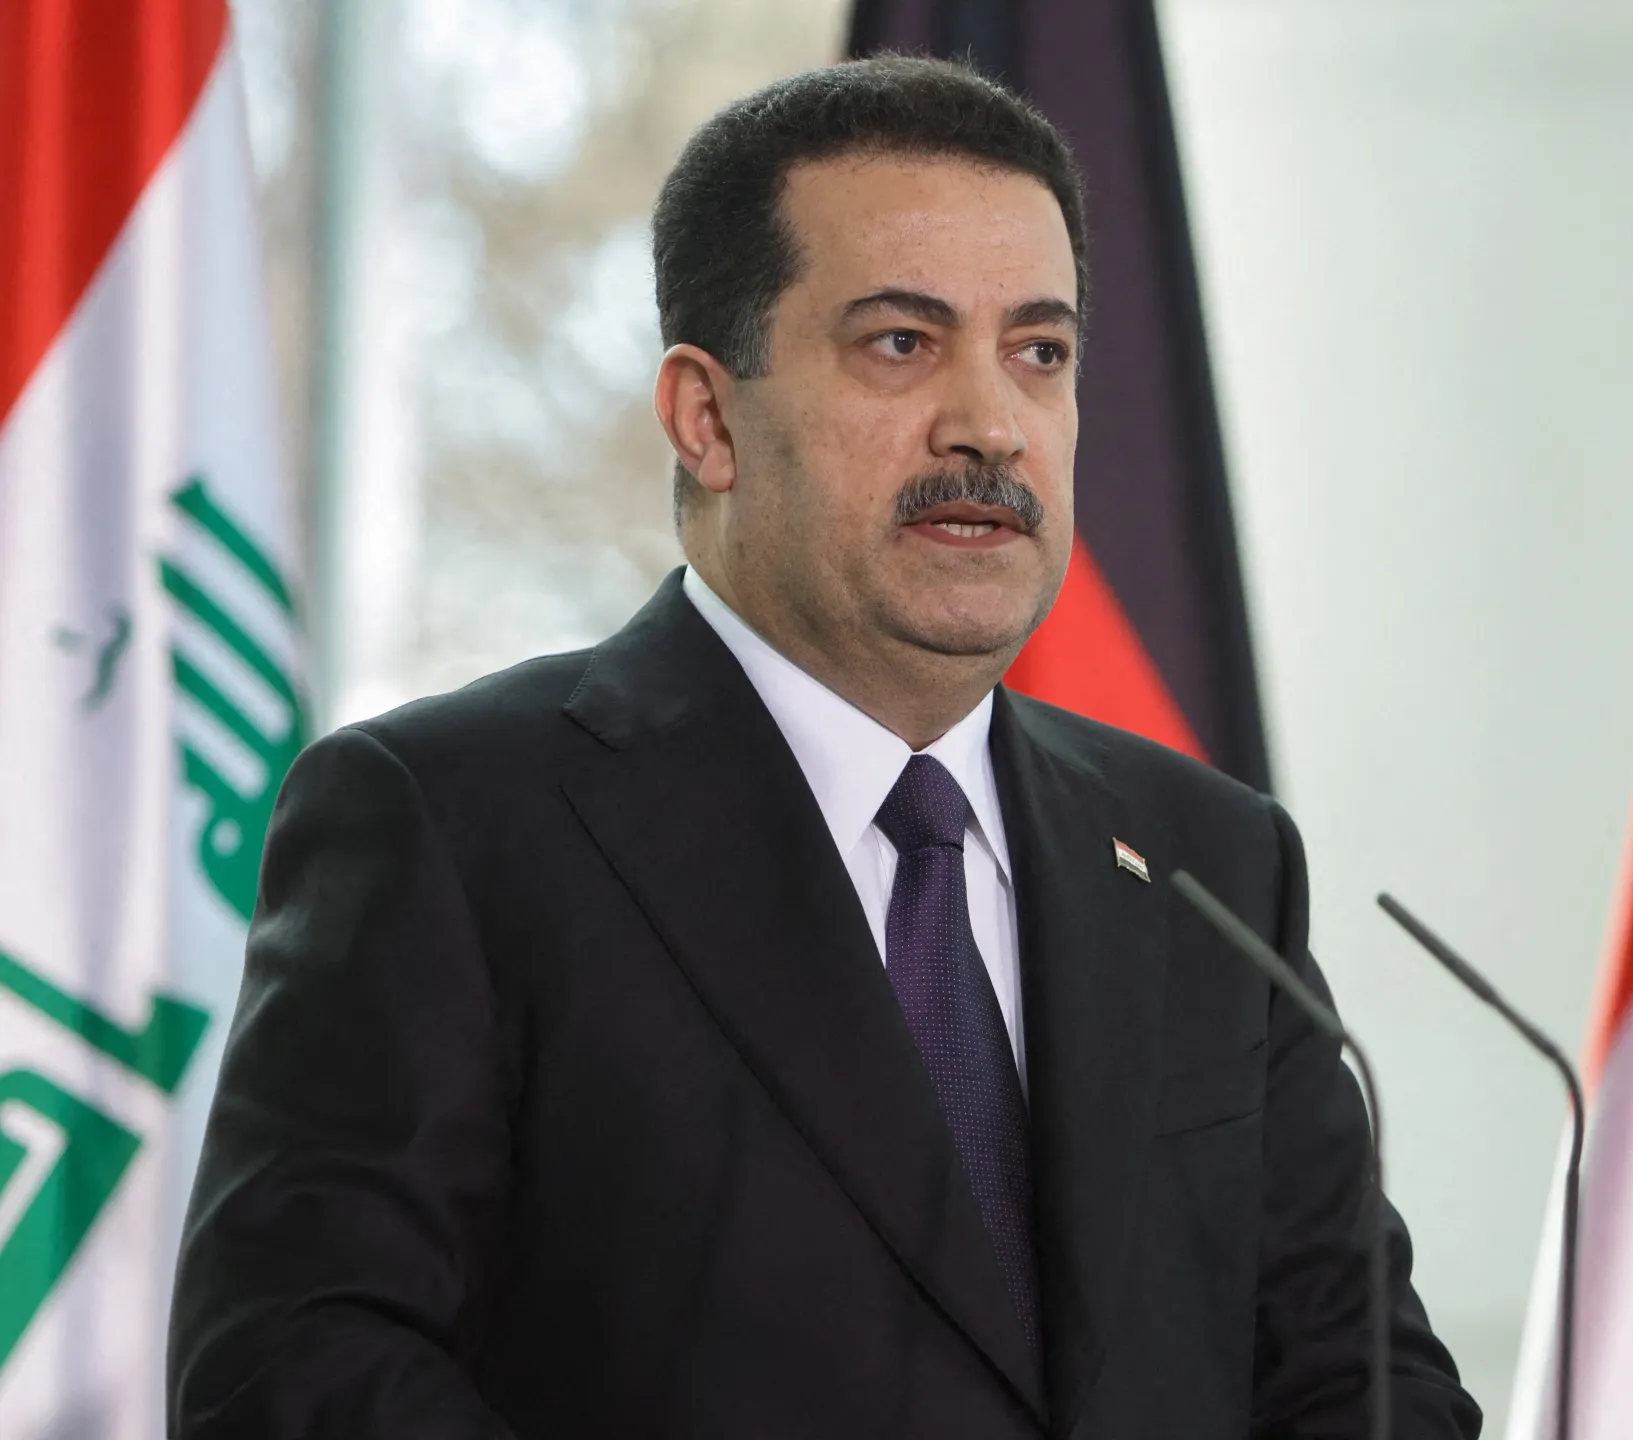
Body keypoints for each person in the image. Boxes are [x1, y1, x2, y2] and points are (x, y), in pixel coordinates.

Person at [167, 56, 1480, 1440]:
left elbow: (1360, 1382)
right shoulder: (453, 824)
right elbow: (295, 1379)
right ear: (707, 417)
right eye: (902, 343)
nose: (990, 424)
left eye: (1039, 353)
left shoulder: (1209, 859)